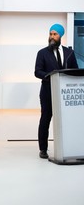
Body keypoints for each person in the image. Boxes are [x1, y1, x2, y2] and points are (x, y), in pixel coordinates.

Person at [34, 23, 78, 159]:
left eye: (55, 34)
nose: (52, 37)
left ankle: (69, 147)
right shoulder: (42, 53)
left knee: (67, 121)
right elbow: (37, 71)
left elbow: (75, 71)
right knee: (45, 119)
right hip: (48, 91)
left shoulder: (69, 53)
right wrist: (50, 76)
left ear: (60, 36)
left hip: (65, 94)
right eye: (50, 34)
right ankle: (43, 149)